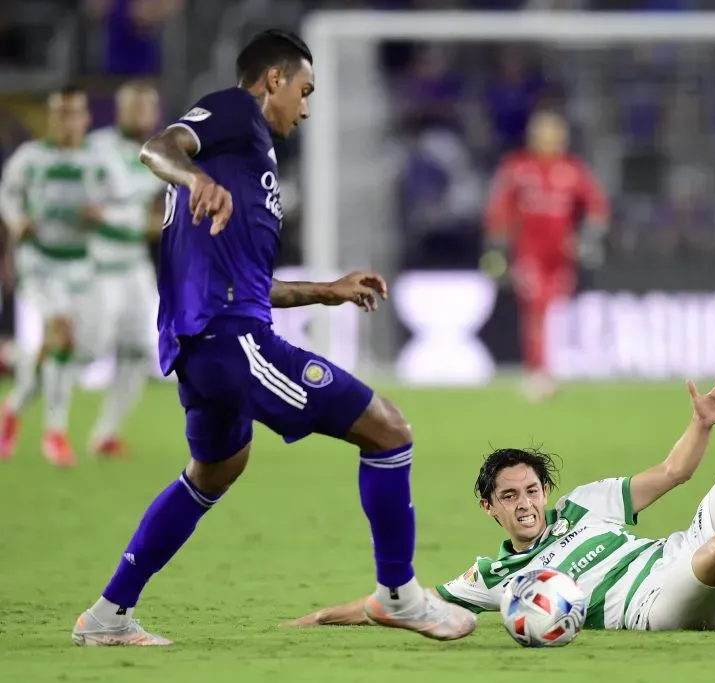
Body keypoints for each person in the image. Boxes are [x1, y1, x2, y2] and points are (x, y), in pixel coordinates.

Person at [70, 29, 477, 647]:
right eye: (304, 91)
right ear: (273, 81)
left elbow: (253, 285)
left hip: (203, 345)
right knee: (389, 431)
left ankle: (107, 615)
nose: (307, 108)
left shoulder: (244, 159)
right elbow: (156, 147)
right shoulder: (234, 114)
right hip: (231, 344)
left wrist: (327, 289)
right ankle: (400, 595)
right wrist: (189, 178)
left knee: (214, 471)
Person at [289, 372, 715, 632]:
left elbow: (675, 471)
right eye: (509, 497)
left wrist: (702, 425)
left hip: (675, 554)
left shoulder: (586, 504)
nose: (525, 504)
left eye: (532, 490)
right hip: (655, 606)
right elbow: (403, 605)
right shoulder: (493, 579)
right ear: (490, 509)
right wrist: (322, 618)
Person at [0, 85, 106, 466]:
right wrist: (16, 221)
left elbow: (118, 199)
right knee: (60, 331)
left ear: (85, 118)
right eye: (58, 113)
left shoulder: (96, 160)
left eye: (72, 113)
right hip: (40, 262)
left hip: (80, 264)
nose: (64, 121)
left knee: (68, 348)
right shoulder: (30, 158)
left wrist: (102, 215)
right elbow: (7, 194)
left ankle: (12, 408)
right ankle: (55, 434)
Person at [482, 110, 608, 403]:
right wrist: (497, 249)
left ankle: (550, 370)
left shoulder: (573, 170)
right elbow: (499, 210)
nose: (551, 141)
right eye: (545, 135)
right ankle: (538, 375)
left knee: (553, 313)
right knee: (535, 311)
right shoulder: (518, 168)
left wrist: (586, 239)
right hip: (529, 254)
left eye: (556, 135)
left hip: (561, 256)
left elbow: (597, 206)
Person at [83, 80, 167, 457]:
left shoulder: (159, 154)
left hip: (133, 263)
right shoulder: (97, 149)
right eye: (135, 106)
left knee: (137, 349)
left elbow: (157, 212)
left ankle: (105, 433)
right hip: (98, 263)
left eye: (148, 107)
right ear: (121, 110)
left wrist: (151, 224)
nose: (142, 114)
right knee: (89, 348)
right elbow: (86, 209)